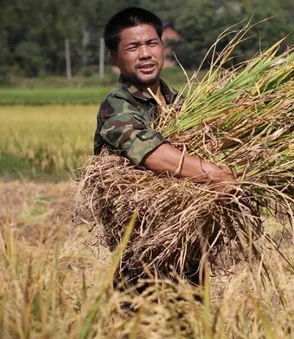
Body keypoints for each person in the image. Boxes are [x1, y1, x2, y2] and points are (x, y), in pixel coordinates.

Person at [94, 7, 235, 295]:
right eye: (133, 47)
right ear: (114, 57)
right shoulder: (117, 106)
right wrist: (217, 176)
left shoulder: (182, 104)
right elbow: (152, 154)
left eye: (151, 44)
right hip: (142, 258)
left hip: (191, 251)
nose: (145, 54)